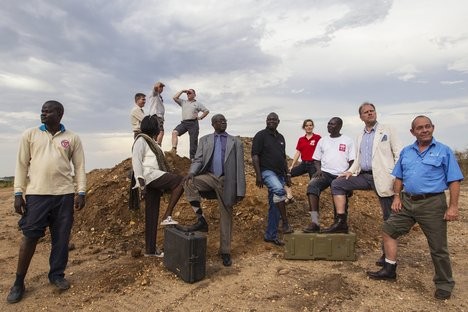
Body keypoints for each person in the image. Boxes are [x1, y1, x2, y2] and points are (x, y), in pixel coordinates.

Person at [367, 115, 463, 300]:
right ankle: (389, 269)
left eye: (427, 126)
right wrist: (396, 196)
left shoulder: (444, 151)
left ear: (433, 128)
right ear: (413, 132)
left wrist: (453, 207)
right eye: (420, 128)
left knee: (438, 247)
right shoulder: (406, 152)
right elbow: (399, 177)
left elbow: (454, 181)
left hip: (432, 203)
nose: (424, 130)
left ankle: (444, 283)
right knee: (388, 229)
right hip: (407, 201)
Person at [7, 100, 86, 304]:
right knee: (30, 236)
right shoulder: (30, 135)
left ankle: (56, 275)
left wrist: (81, 192)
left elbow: (79, 167)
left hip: (64, 195)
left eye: (48, 111)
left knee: (61, 238)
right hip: (37, 195)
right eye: (42, 111)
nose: (43, 114)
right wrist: (18, 193)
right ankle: (18, 282)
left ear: (59, 114)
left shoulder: (72, 138)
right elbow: (21, 165)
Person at [324, 102, 402, 267]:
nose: (370, 113)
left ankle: (387, 255)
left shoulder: (387, 130)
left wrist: (398, 176)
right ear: (361, 117)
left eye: (372, 111)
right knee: (337, 184)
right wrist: (350, 171)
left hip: (383, 178)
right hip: (364, 176)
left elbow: (398, 153)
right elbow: (359, 160)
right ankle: (341, 221)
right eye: (366, 112)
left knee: (389, 217)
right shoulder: (360, 136)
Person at [180, 114, 245, 266]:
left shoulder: (235, 142)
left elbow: (240, 168)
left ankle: (225, 252)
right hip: (209, 176)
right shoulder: (205, 140)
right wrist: (191, 172)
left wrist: (240, 191)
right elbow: (198, 159)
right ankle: (201, 219)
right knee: (189, 182)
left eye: (225, 120)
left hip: (226, 181)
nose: (223, 123)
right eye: (220, 121)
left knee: (226, 215)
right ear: (213, 124)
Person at [132, 115, 185, 257]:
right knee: (180, 181)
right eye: (157, 125)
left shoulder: (153, 143)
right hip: (149, 176)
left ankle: (150, 250)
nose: (159, 127)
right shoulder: (141, 140)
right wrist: (140, 183)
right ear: (152, 127)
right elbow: (136, 161)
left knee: (151, 214)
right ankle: (167, 215)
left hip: (154, 177)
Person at [303, 117, 355, 233]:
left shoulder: (348, 141)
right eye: (328, 124)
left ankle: (340, 224)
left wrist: (349, 176)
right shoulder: (323, 141)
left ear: (339, 126)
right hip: (325, 173)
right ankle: (314, 222)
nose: (329, 126)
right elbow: (316, 159)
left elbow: (352, 161)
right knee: (312, 186)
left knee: (340, 197)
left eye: (332, 124)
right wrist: (319, 169)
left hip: (341, 175)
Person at [252, 112, 293, 246]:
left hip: (280, 173)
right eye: (269, 119)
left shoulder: (281, 137)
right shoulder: (260, 135)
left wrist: (287, 175)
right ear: (266, 121)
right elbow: (255, 156)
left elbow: (283, 158)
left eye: (274, 119)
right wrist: (258, 175)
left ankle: (270, 235)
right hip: (267, 172)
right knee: (279, 190)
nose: (271, 121)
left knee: (275, 206)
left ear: (278, 122)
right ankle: (285, 223)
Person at [284, 119, 321, 202]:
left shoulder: (318, 138)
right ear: (304, 127)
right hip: (303, 164)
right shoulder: (301, 139)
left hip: (314, 165)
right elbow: (298, 152)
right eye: (307, 125)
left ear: (313, 126)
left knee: (313, 185)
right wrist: (292, 165)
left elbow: (322, 151)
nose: (309, 127)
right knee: (286, 175)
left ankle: (314, 207)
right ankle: (289, 196)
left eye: (310, 125)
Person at [171, 89, 209, 159]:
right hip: (184, 123)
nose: (188, 94)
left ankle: (193, 159)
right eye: (187, 93)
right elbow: (174, 98)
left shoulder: (197, 104)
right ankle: (173, 150)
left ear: (194, 95)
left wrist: (200, 117)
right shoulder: (183, 102)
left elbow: (206, 111)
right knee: (174, 132)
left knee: (193, 142)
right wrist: (182, 91)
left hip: (193, 123)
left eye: (190, 93)